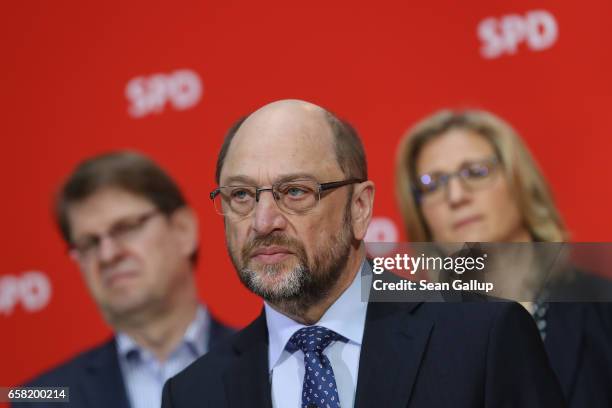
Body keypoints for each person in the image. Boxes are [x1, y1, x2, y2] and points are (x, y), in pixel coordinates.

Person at [161, 99, 566, 408]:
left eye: (295, 191)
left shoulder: (482, 339)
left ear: (359, 208)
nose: (263, 221)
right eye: (242, 196)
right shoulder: (193, 393)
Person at [395, 108, 612, 407]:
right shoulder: (414, 344)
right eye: (433, 184)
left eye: (476, 172)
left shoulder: (601, 307)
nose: (456, 196)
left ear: (520, 180)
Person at [17, 152, 234, 408]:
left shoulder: (270, 361)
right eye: (89, 243)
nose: (108, 254)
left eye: (126, 228)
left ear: (182, 230)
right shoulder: (39, 398)